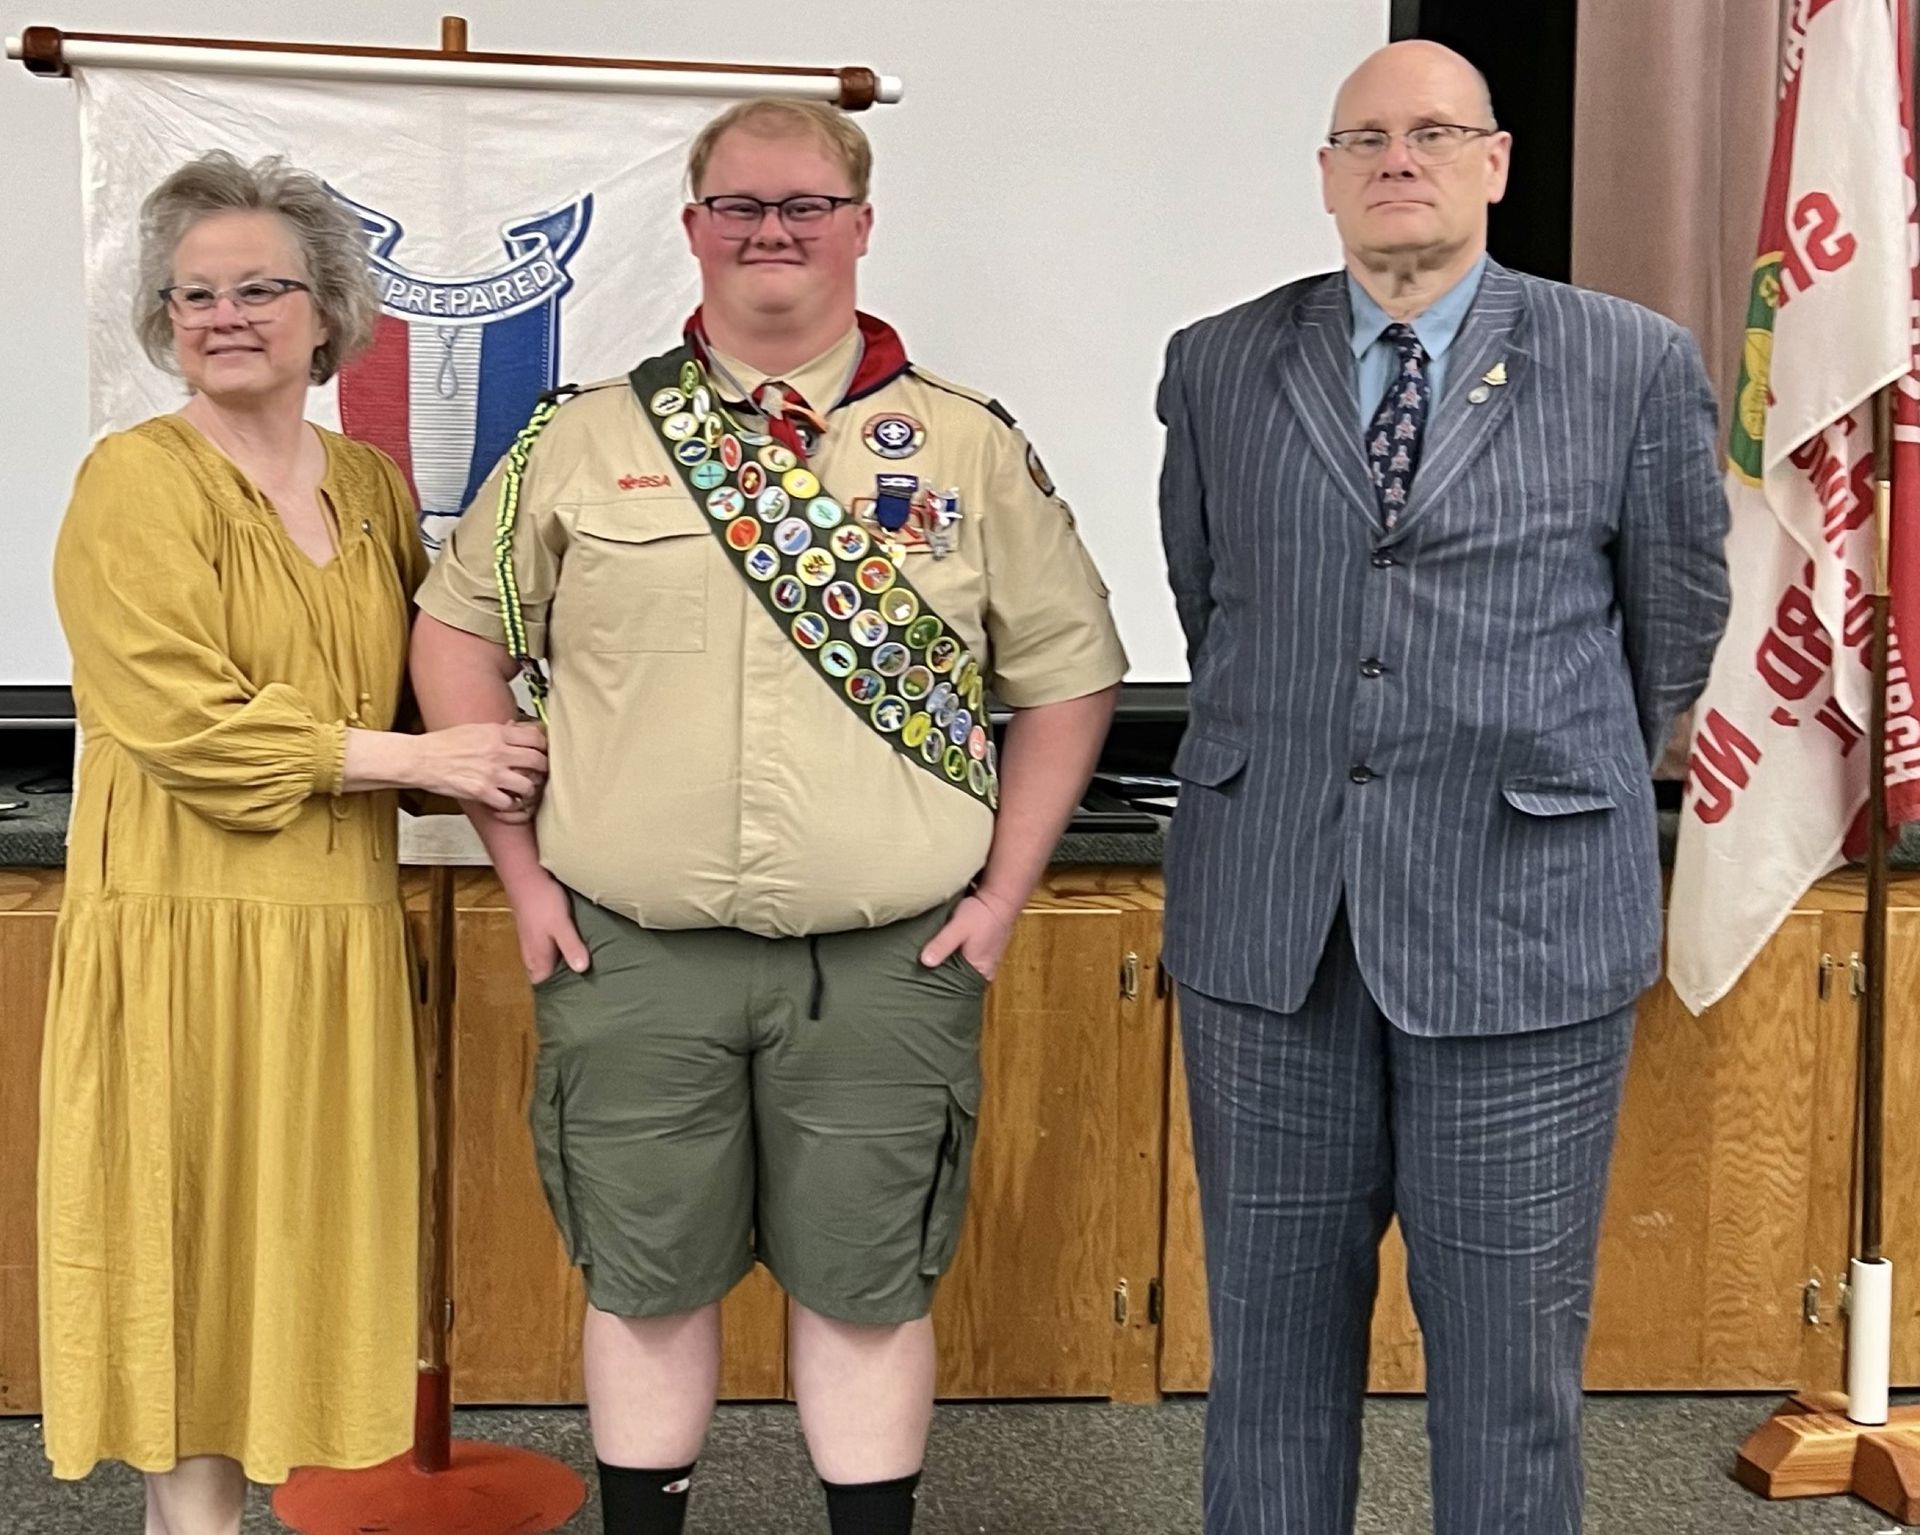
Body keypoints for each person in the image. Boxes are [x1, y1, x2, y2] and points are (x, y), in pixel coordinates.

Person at [408, 98, 1126, 1535]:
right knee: (645, 1278)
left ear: (860, 225)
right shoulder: (583, 437)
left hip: (889, 958)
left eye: (804, 204)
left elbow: (1066, 679)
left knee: (866, 1290)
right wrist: (524, 876)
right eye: (740, 206)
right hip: (631, 950)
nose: (772, 231)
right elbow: (456, 634)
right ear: (693, 228)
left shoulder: (969, 447)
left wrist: (1004, 897)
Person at [1154, 41, 1731, 1534]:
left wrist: (1536, 767)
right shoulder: (1219, 359)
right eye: (1363, 138)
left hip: (1522, 925)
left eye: (1430, 132)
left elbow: (1670, 627)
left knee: (1509, 1365)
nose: (1395, 159)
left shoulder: (1628, 358)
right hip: (1271, 928)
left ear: (1497, 161)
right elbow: (1213, 601)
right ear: (1329, 177)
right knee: (1268, 1356)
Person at [39, 150, 547, 1535]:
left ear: (328, 312)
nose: (224, 316)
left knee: (289, 1263)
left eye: (260, 287)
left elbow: (414, 685)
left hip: (329, 939)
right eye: (193, 294)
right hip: (183, 932)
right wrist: (416, 758)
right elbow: (180, 721)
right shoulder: (132, 482)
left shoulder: (372, 485)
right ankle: (187, 1522)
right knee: (184, 1253)